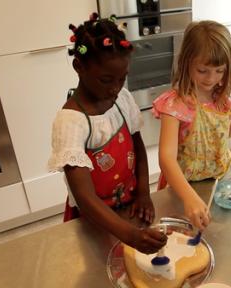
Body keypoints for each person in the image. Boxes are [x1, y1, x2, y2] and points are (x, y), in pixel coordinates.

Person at [48, 13, 166, 254]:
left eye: (122, 78)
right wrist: (130, 234)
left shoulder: (122, 98)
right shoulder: (71, 122)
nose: (115, 87)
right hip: (95, 216)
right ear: (78, 67)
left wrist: (144, 192)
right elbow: (84, 198)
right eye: (105, 80)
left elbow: (138, 148)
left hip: (130, 203)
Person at [152, 20, 231, 231]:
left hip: (220, 179)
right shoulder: (175, 104)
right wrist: (189, 197)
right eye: (203, 70)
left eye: (219, 71)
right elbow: (166, 158)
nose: (211, 78)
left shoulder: (221, 98)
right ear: (186, 62)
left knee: (220, 233)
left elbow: (221, 135)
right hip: (184, 185)